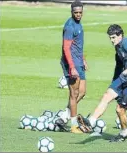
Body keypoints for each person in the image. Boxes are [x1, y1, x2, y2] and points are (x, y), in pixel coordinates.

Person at [78, 24, 127, 142]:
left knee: (119, 110)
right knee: (107, 95)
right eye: (110, 38)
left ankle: (123, 133)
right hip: (123, 79)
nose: (111, 41)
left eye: (113, 37)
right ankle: (90, 122)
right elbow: (119, 65)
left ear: (120, 36)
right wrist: (114, 83)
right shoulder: (118, 46)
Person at [57, 0, 88, 134]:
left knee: (82, 92)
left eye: (80, 12)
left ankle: (63, 117)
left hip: (78, 62)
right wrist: (72, 67)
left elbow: (77, 44)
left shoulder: (78, 24)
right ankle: (74, 126)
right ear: (71, 12)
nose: (78, 15)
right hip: (71, 64)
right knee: (74, 94)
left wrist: (83, 59)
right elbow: (66, 48)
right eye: (75, 13)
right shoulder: (70, 26)